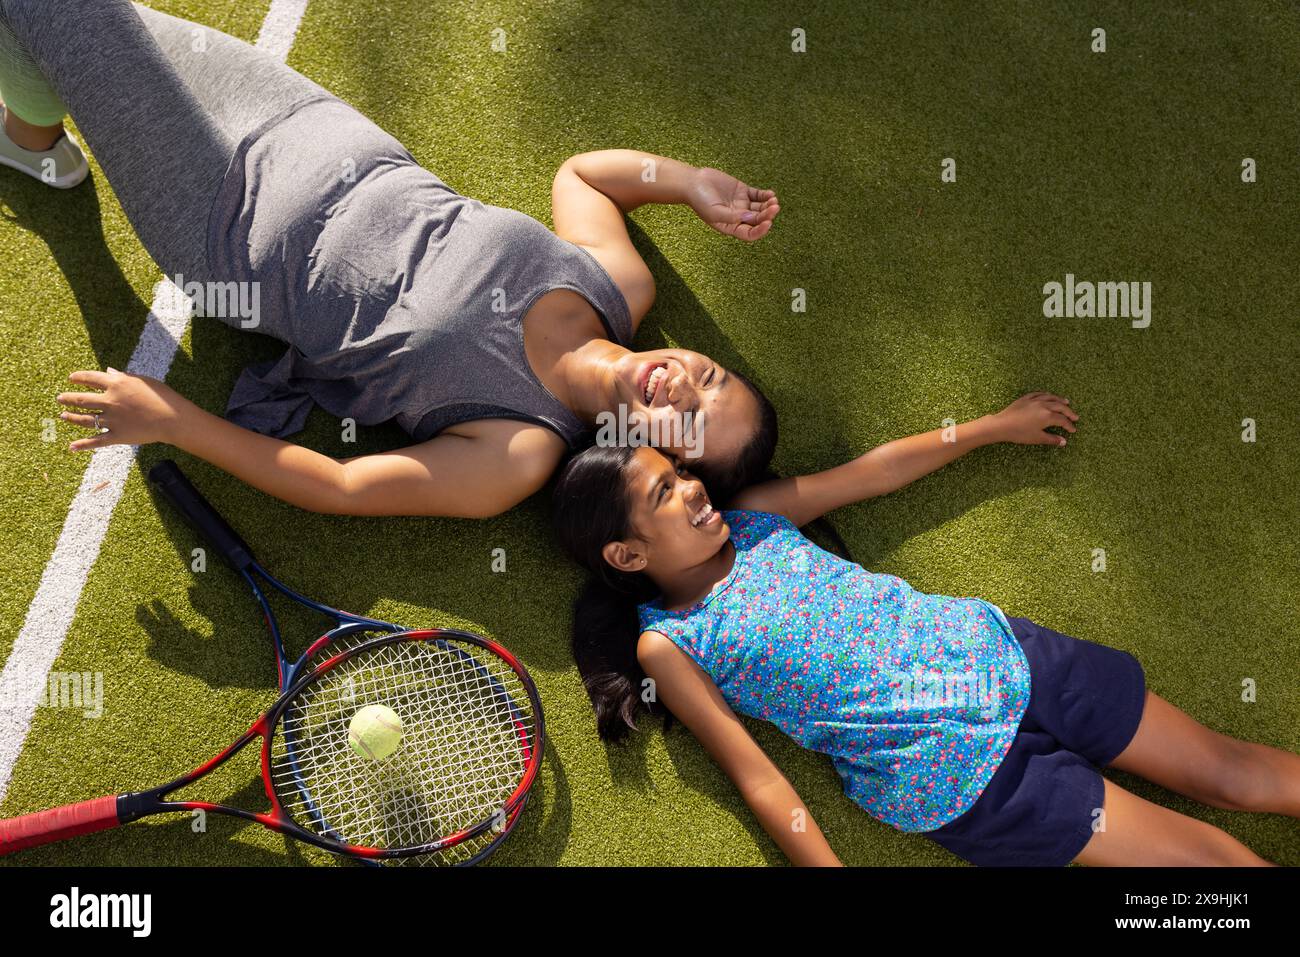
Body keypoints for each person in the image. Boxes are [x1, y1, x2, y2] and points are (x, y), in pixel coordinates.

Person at [0, 0, 779, 517]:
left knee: (63, 10)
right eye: (708, 378)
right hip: (301, 116)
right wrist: (685, 183)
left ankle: (31, 140)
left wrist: (176, 422)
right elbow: (582, 175)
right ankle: (33, 144)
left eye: (686, 422)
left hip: (221, 218)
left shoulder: (515, 453)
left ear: (647, 455)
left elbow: (341, 485)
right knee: (85, 19)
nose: (681, 386)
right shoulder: (618, 286)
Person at [550, 393, 1295, 865]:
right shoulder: (668, 642)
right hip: (960, 780)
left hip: (1009, 658)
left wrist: (991, 427)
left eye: (679, 473)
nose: (693, 489)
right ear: (627, 552)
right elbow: (758, 775)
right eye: (664, 492)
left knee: (1228, 772)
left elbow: (874, 472)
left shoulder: (757, 518)